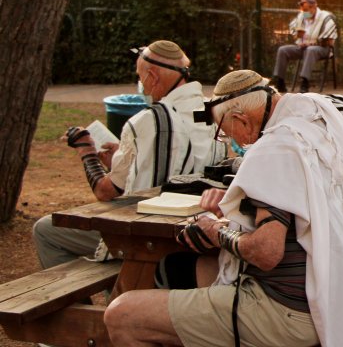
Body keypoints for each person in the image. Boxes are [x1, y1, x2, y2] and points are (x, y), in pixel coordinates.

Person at [104, 70, 343, 347]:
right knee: (181, 270)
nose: (228, 138)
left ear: (243, 119)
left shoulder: (274, 148)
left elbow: (266, 252)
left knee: (122, 315)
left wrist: (218, 232)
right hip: (337, 295)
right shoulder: (312, 123)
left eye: (224, 129)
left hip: (289, 310)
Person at [33, 40, 225, 268]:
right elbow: (182, 155)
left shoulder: (147, 120)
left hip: (146, 234)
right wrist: (119, 158)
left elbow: (105, 190)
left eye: (140, 76)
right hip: (194, 229)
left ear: (152, 76)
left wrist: (86, 150)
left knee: (45, 230)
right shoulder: (211, 111)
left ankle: (98, 291)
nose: (141, 84)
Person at [271, 0, 337, 93]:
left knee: (310, 50)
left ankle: (304, 83)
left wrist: (310, 44)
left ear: (314, 7)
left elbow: (330, 41)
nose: (304, 12)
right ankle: (280, 82)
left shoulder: (326, 17)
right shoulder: (302, 16)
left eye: (306, 10)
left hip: (322, 48)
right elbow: (295, 33)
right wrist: (299, 38)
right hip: (303, 47)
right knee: (283, 50)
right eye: (303, 10)